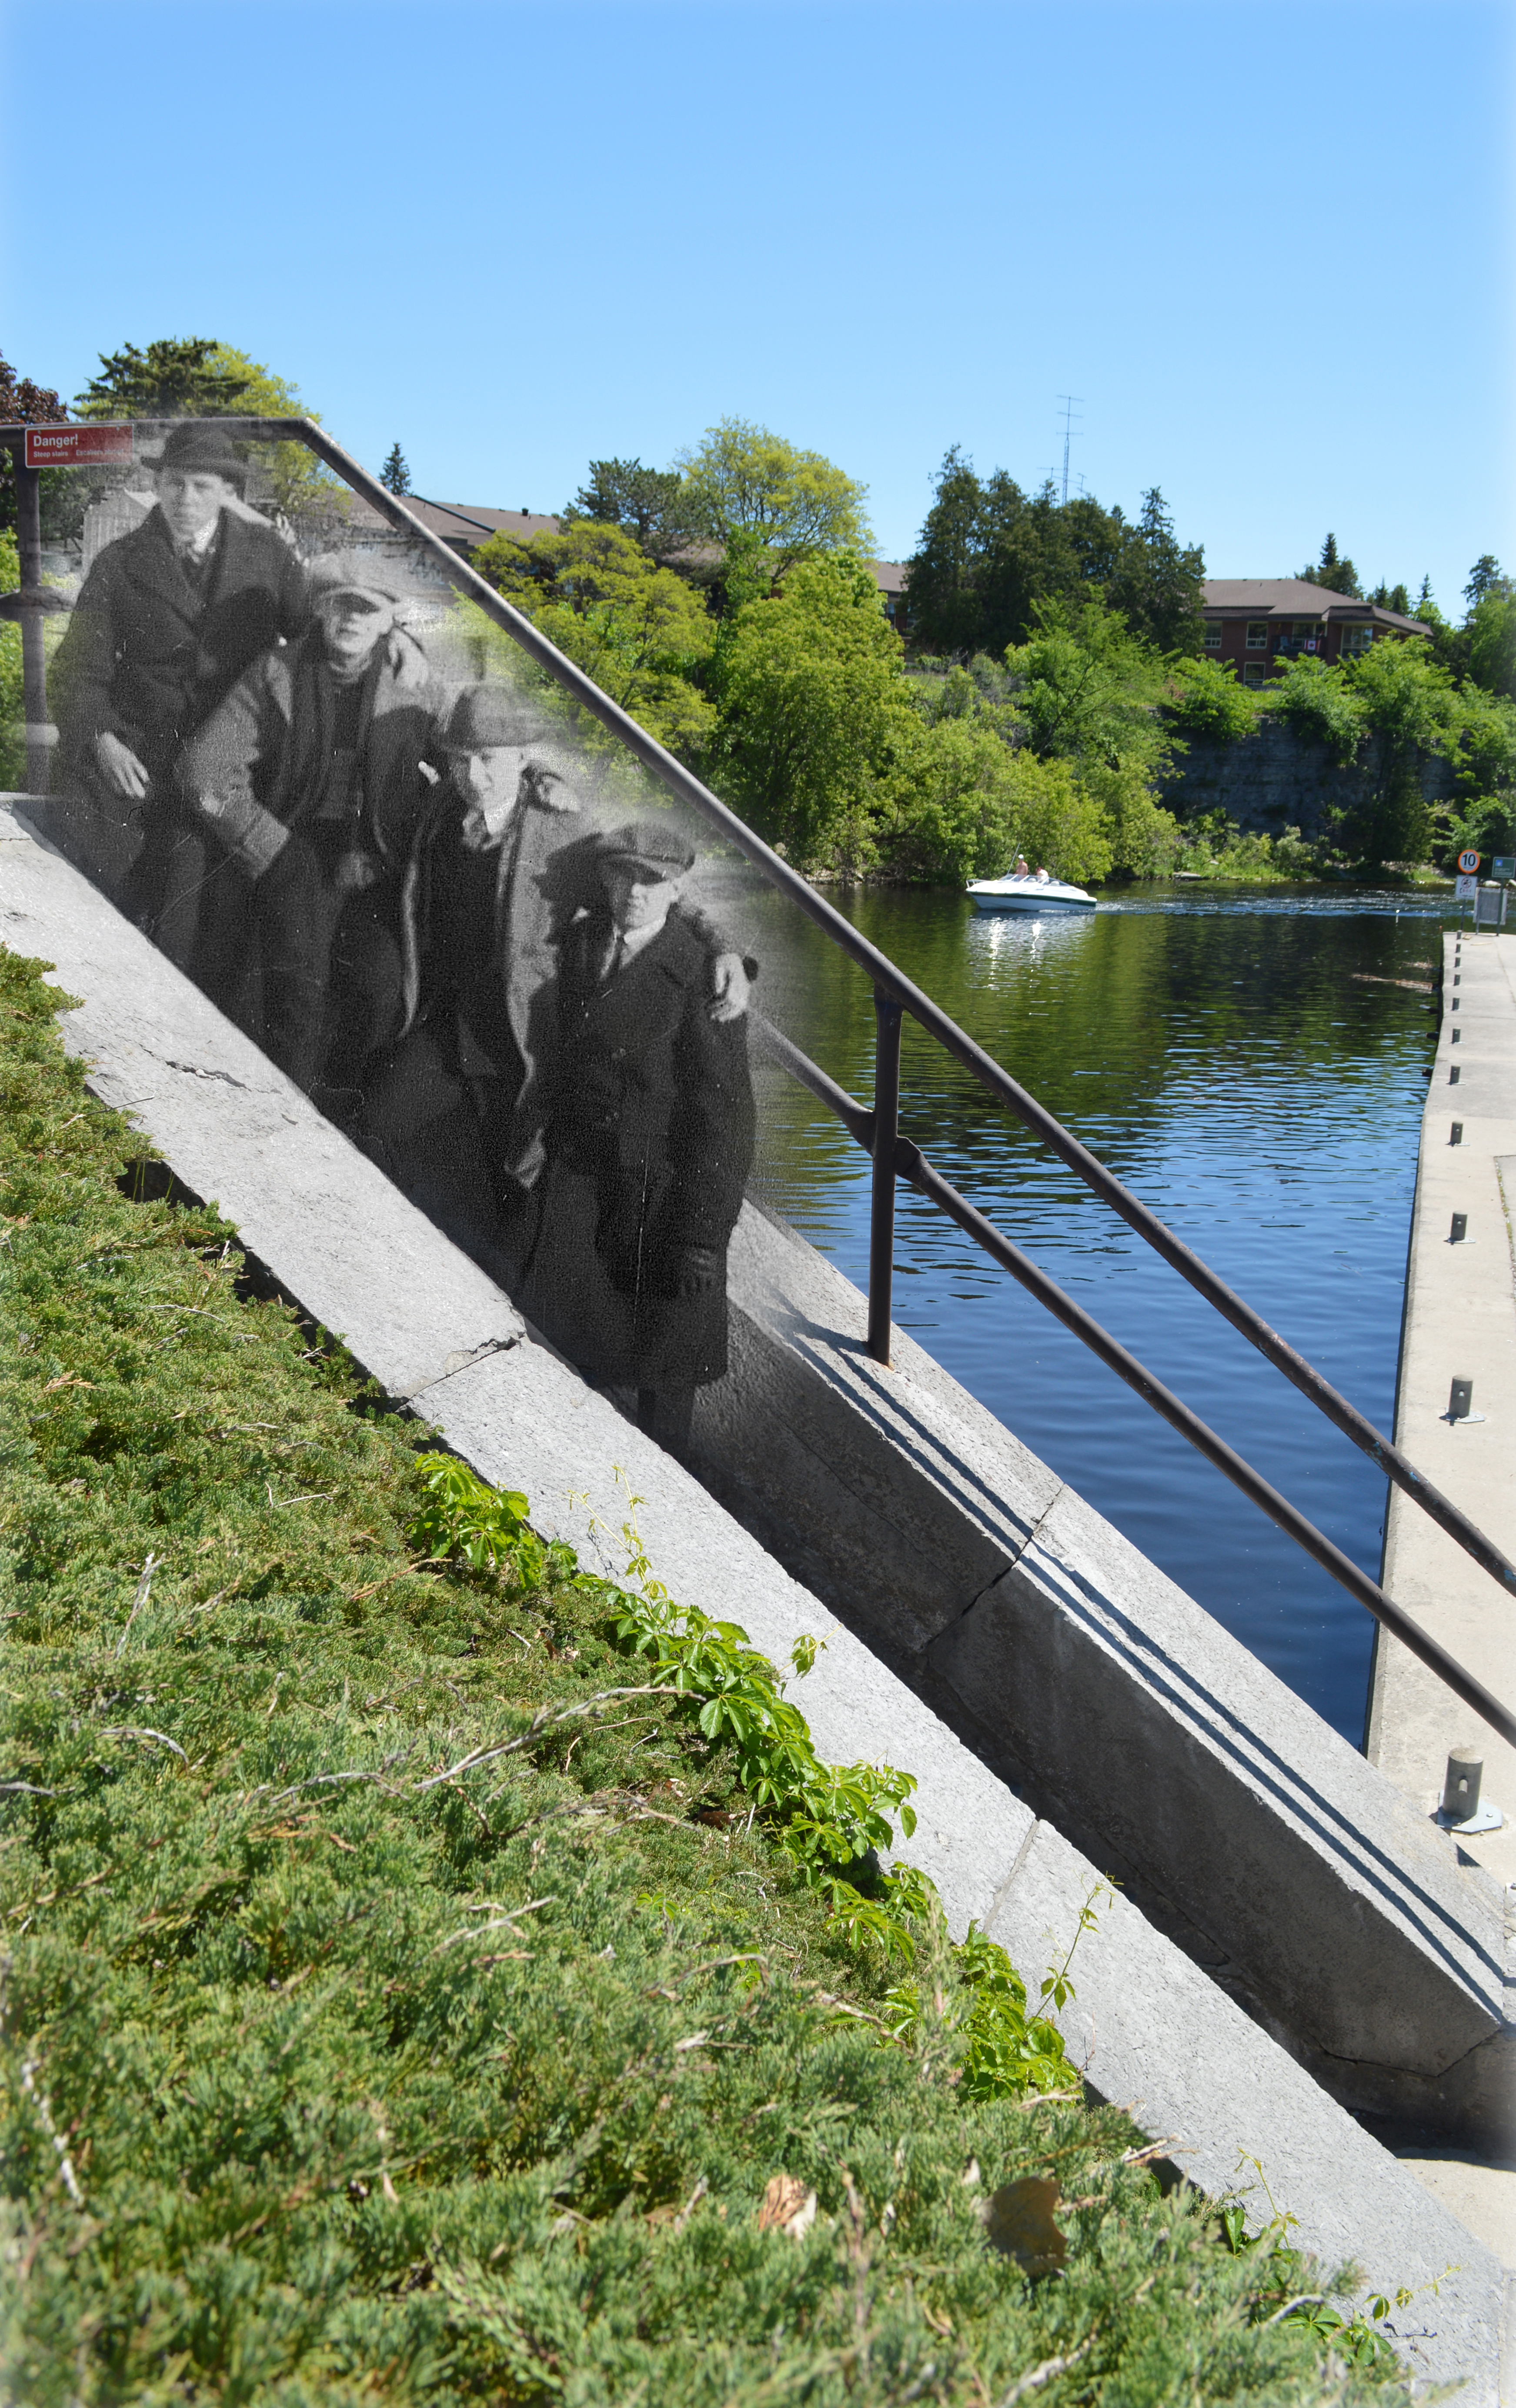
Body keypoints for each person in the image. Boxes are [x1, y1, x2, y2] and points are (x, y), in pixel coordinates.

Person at [363, 684, 754, 1282]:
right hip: (442, 1021)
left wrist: (722, 945)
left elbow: (653, 880)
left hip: (515, 1041)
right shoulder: (440, 809)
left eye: (491, 759)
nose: (475, 776)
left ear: (522, 757)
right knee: (382, 1121)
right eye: (462, 759)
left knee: (502, 1196)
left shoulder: (561, 834)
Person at [521, 820, 755, 1456]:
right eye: (624, 875)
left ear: (677, 888)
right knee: (568, 1356)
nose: (637, 893)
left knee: (661, 1375)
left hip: (658, 1202)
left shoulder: (702, 979)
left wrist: (703, 1237)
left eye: (655, 880)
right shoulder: (586, 941)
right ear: (605, 877)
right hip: (579, 1178)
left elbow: (725, 1122)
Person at [178, 554, 444, 1112]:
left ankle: (341, 1119)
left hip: (375, 863)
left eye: (366, 609)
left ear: (388, 622)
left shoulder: (415, 684)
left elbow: (474, 744)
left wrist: (541, 773)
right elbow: (204, 768)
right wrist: (267, 844)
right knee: (297, 997)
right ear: (321, 612)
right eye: (340, 606)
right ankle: (286, 1121)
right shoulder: (276, 672)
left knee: (378, 991)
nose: (351, 619)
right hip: (289, 852)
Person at [49, 423, 308, 993]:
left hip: (224, 766)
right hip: (137, 756)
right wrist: (102, 738)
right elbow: (78, 667)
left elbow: (313, 640)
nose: (184, 500)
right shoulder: (120, 561)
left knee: (198, 921)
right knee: (95, 887)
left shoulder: (267, 557)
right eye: (173, 484)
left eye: (200, 486)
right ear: (158, 485)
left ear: (226, 492)